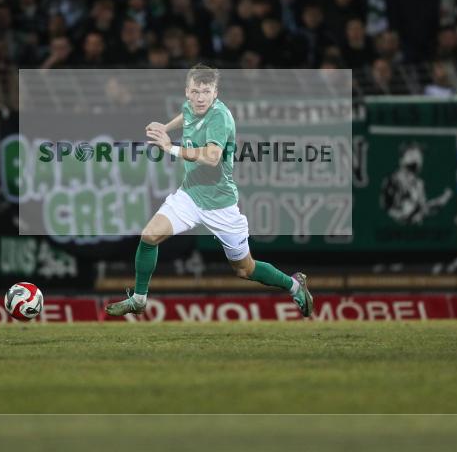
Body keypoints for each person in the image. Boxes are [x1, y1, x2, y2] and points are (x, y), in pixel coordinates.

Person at [104, 64, 314, 317]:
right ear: (187, 92)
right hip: (190, 195)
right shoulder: (191, 105)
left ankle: (294, 285)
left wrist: (170, 147)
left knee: (244, 269)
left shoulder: (219, 118)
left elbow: (212, 157)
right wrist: (165, 127)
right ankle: (139, 300)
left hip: (219, 204)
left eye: (206, 92)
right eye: (195, 92)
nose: (200, 97)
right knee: (149, 236)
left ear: (216, 92)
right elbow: (186, 115)